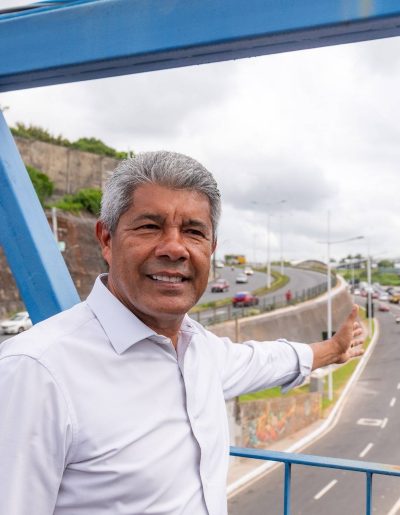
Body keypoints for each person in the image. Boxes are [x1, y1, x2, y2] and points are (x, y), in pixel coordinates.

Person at [0, 151, 364, 515]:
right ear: (107, 239)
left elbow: (265, 361)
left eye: (193, 232)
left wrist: (335, 349)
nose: (175, 248)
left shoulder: (198, 350)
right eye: (149, 226)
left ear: (212, 248)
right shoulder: (36, 372)